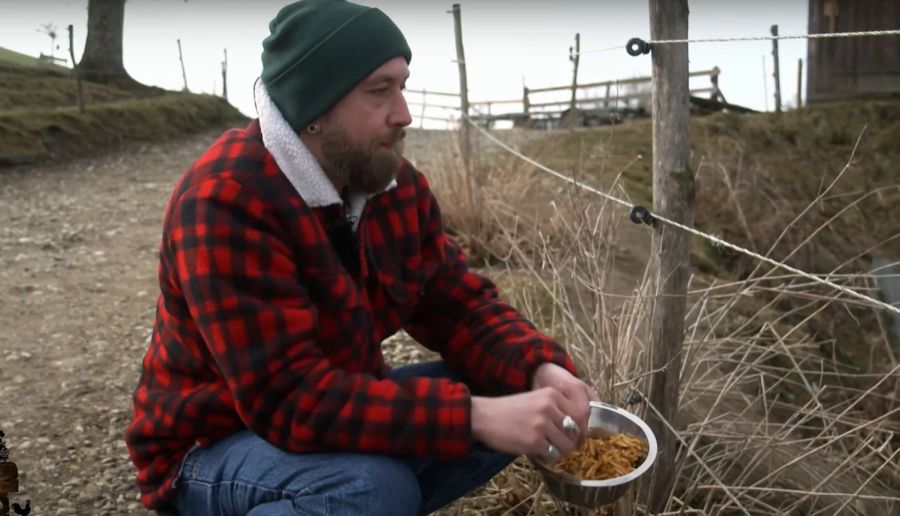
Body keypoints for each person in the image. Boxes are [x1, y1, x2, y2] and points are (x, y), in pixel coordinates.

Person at [125, 0, 598, 514]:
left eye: (402, 86)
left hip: (327, 415)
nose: (404, 113)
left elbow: (458, 306)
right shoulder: (226, 200)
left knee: (504, 387)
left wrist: (539, 370)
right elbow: (287, 401)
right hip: (209, 445)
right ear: (314, 110)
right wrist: (473, 419)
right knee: (369, 488)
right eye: (379, 92)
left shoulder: (391, 185)